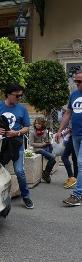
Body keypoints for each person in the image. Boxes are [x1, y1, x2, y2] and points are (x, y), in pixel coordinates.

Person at [0, 83, 33, 209]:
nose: (19, 98)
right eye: (17, 96)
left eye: (21, 96)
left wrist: (17, 132)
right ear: (8, 94)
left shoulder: (22, 109)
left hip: (17, 144)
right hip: (0, 144)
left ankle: (26, 196)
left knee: (19, 171)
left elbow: (27, 127)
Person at [55, 71, 82, 207]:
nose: (77, 84)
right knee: (79, 162)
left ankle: (77, 195)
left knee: (81, 163)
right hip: (75, 135)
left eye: (80, 81)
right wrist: (60, 130)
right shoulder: (74, 95)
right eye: (76, 81)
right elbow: (68, 113)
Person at [30, 117, 56, 183]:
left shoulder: (45, 131)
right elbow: (31, 143)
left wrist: (48, 141)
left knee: (53, 160)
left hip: (45, 148)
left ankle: (46, 173)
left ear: (42, 124)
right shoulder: (33, 132)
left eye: (39, 123)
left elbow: (48, 139)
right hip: (37, 149)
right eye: (36, 123)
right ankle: (46, 174)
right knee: (52, 157)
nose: (37, 125)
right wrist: (42, 144)